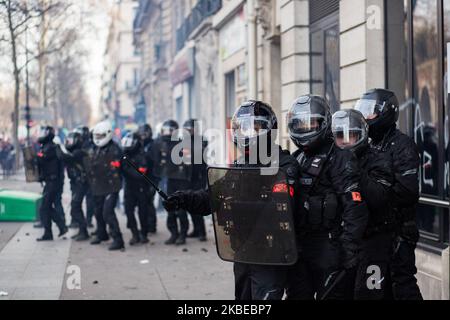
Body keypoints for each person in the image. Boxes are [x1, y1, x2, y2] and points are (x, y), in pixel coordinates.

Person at [162, 100, 300, 300]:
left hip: (272, 254)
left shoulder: (284, 164)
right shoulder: (239, 165)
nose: (247, 134)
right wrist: (183, 199)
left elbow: (280, 207)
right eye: (242, 128)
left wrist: (236, 205)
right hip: (243, 251)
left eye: (255, 128)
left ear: (269, 130)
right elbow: (213, 196)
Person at [285, 95, 369, 300]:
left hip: (328, 245)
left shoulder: (340, 156)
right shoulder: (297, 157)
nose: (305, 128)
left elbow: (354, 205)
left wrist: (349, 248)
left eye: (311, 122)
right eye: (300, 123)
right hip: (299, 246)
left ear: (324, 122)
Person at [355, 88, 423, 300]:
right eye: (363, 111)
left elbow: (407, 191)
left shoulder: (402, 145)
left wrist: (378, 194)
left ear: (386, 112)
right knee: (375, 287)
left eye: (371, 112)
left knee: (402, 284)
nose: (366, 117)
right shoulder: (366, 144)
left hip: (399, 230)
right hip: (374, 233)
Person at [332, 109, 395, 300]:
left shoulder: (379, 158)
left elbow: (380, 197)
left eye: (350, 135)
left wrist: (354, 170)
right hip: (343, 241)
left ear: (361, 135)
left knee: (369, 293)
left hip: (374, 239)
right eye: (339, 136)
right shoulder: (331, 161)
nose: (344, 142)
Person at [87, 121, 125, 251]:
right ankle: (101, 234)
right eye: (96, 136)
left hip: (111, 186)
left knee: (108, 212)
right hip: (98, 185)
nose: (98, 139)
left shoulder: (115, 150)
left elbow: (117, 169)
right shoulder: (95, 148)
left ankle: (118, 239)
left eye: (100, 136)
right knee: (98, 211)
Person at [156, 120, 190, 246]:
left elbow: (188, 164)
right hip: (169, 180)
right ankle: (173, 233)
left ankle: (182, 235)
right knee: (170, 207)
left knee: (181, 209)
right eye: (165, 130)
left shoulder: (183, 144)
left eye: (170, 130)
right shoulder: (162, 144)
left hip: (181, 181)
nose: (167, 133)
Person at [36, 126, 68, 241]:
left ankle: (52, 231)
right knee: (47, 207)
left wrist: (34, 158)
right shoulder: (47, 147)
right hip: (51, 181)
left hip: (53, 182)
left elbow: (42, 159)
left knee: (44, 207)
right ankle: (59, 227)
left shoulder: (51, 148)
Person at [57, 128, 90, 242]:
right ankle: (82, 231)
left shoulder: (79, 152)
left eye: (71, 140)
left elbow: (66, 157)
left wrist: (57, 148)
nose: (68, 143)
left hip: (81, 183)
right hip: (76, 183)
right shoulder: (74, 152)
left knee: (75, 207)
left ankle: (84, 231)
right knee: (76, 207)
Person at [121, 132, 151, 245]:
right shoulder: (124, 155)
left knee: (143, 212)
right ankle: (135, 234)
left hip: (141, 188)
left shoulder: (143, 155)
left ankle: (144, 234)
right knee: (129, 211)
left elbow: (140, 174)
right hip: (129, 187)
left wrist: (125, 169)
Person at [181, 119, 208, 242]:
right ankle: (196, 230)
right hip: (188, 178)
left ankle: (202, 232)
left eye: (189, 129)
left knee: (198, 204)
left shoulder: (201, 141)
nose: (188, 131)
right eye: (186, 129)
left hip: (199, 178)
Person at [137, 124, 158, 234]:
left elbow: (154, 162)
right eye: (141, 134)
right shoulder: (140, 145)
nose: (143, 136)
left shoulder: (153, 145)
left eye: (144, 134)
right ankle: (147, 225)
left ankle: (152, 226)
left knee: (149, 202)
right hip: (143, 178)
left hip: (152, 178)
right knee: (144, 202)